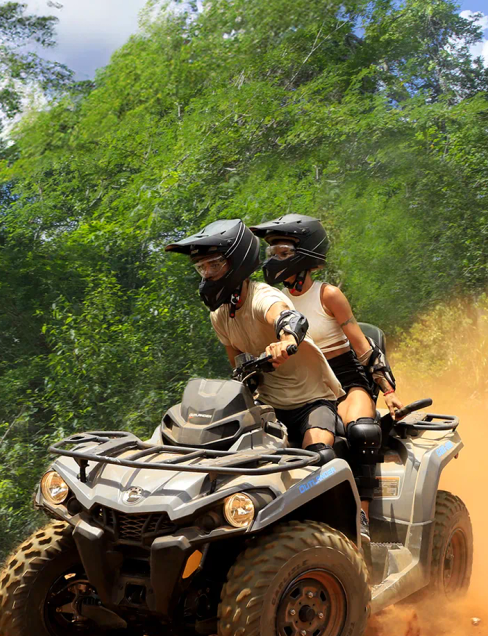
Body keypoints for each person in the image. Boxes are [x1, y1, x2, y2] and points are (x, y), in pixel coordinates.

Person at [249, 214, 403, 502]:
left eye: (283, 253)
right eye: (272, 254)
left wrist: (389, 390)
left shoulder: (328, 295)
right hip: (303, 385)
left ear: (306, 254)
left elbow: (362, 345)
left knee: (362, 432)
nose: (275, 260)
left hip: (345, 379)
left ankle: (364, 516)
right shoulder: (272, 301)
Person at [164, 218, 343, 451]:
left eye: (214, 265)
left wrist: (286, 340)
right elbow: (237, 365)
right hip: (266, 407)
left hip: (311, 403)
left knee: (318, 457)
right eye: (201, 267)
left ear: (237, 262)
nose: (206, 274)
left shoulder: (262, 297)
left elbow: (287, 316)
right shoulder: (219, 314)